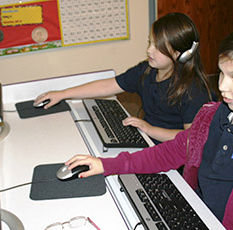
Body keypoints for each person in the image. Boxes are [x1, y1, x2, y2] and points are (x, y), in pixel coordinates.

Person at [64, 19, 233, 230]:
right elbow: (170, 152)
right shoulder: (212, 115)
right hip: (197, 217)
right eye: (222, 73)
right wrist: (106, 164)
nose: (222, 85)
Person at [34, 13, 215, 143]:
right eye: (149, 42)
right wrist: (63, 94)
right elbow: (107, 86)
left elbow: (192, 138)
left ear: (179, 54)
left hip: (172, 152)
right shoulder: (146, 71)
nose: (149, 50)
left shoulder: (193, 90)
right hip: (147, 138)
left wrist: (149, 129)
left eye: (158, 47)